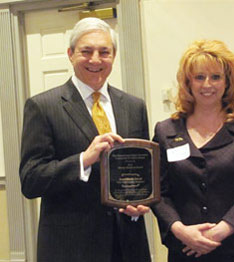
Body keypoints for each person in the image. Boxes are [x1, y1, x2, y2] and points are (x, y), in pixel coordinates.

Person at [19, 17, 151, 262]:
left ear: (114, 55)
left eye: (104, 52)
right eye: (86, 51)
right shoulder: (43, 106)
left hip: (129, 244)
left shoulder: (134, 106)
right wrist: (83, 160)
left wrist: (141, 203)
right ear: (70, 54)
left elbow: (144, 172)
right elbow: (31, 180)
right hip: (71, 248)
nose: (95, 60)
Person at [152, 39, 234, 262]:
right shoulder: (166, 130)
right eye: (199, 77)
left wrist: (219, 232)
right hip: (186, 250)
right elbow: (159, 192)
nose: (207, 84)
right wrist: (180, 231)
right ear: (188, 82)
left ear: (227, 82)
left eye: (215, 77)